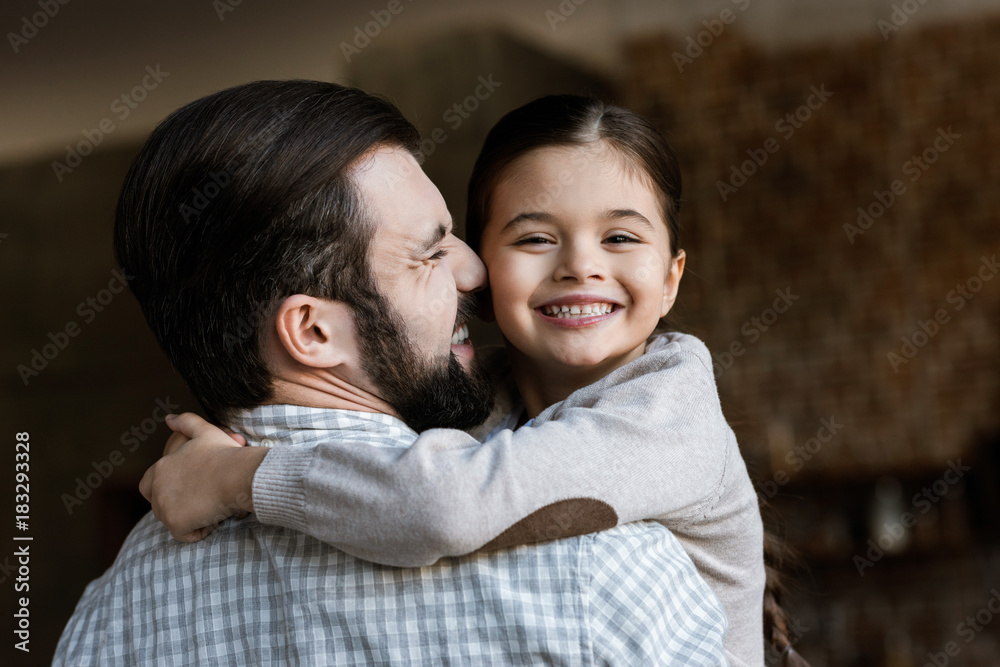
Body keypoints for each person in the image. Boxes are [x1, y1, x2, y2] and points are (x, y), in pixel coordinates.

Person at [54, 80, 729, 665]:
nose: (474, 273)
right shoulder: (605, 567)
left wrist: (235, 477)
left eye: (620, 236)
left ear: (673, 274)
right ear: (315, 331)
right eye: (431, 253)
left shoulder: (115, 607)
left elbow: (445, 498)